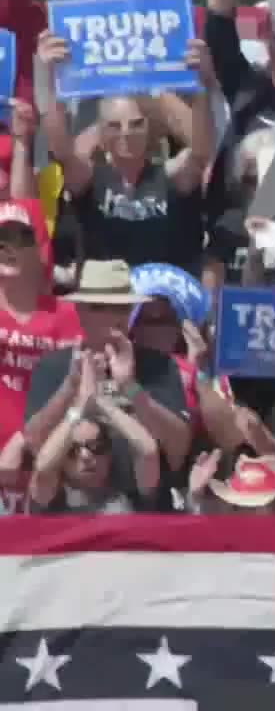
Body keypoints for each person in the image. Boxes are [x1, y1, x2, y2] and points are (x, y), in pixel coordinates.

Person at [37, 32, 217, 273]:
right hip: (108, 297)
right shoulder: (90, 180)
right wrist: (47, 77)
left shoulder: (169, 175)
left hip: (162, 300)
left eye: (136, 124)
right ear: (100, 133)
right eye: (114, 125)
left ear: (149, 127)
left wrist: (202, 85)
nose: (126, 133)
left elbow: (200, 153)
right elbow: (62, 151)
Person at [24, 260, 190, 510]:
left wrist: (131, 387)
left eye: (122, 308)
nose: (113, 317)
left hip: (142, 512)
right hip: (67, 515)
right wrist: (71, 387)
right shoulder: (55, 366)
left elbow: (178, 450)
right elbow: (34, 443)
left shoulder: (159, 365)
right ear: (80, 311)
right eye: (100, 307)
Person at [0, 200, 82, 511]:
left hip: (51, 472)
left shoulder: (70, 315)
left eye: (21, 239)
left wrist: (23, 440)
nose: (9, 249)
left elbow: (81, 390)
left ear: (40, 249)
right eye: (1, 240)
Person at [29, 356, 160, 515]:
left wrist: (102, 402)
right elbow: (42, 466)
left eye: (96, 446)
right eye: (72, 450)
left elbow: (149, 450)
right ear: (61, 459)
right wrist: (80, 405)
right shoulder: (51, 496)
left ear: (109, 452)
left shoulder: (129, 490)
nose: (86, 456)